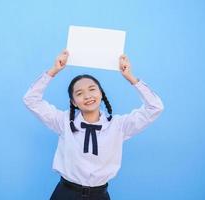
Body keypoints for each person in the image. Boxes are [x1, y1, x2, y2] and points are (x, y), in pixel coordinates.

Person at [23, 50, 164, 200]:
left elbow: (155, 107)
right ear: (73, 102)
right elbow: (31, 100)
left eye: (92, 89)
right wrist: (54, 71)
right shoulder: (63, 121)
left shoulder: (119, 126)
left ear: (101, 93)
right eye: (79, 93)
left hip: (99, 196)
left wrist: (130, 78)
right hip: (65, 194)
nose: (88, 96)